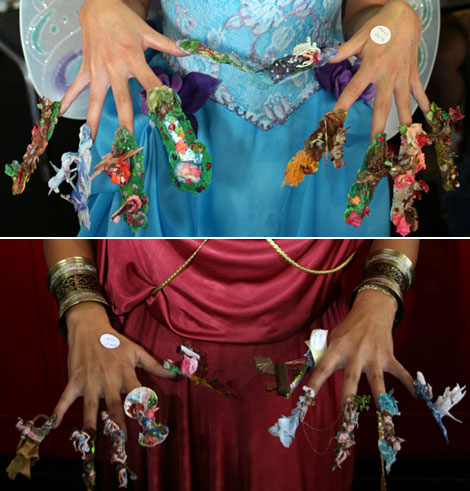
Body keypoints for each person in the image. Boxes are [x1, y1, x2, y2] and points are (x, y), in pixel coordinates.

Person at [43, 238, 419, 490]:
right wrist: (80, 307)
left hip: (302, 359)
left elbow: (392, 188)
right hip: (153, 359)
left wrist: (381, 294)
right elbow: (79, 186)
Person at [53, 0, 430, 236]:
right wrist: (104, 8)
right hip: (181, 132)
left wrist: (391, 18)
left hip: (318, 136)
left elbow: (366, 9)